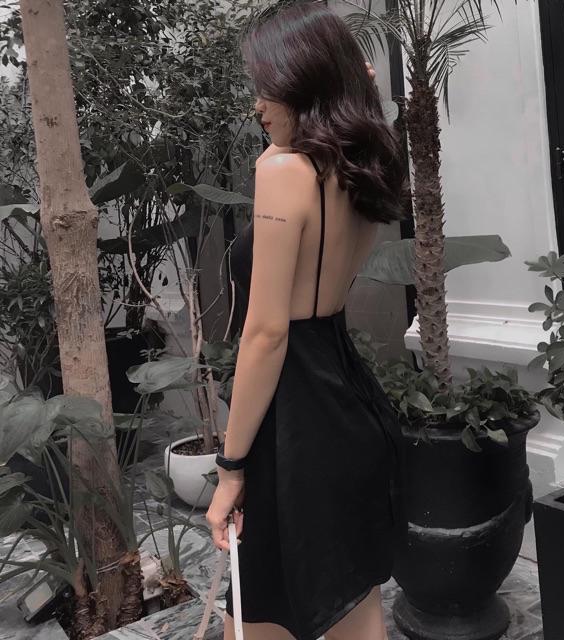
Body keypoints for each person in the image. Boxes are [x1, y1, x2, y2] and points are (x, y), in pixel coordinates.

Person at [206, 3, 410, 639]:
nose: (258, 106)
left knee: (261, 611)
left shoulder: (281, 171)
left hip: (294, 425)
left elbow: (267, 333)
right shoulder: (362, 166)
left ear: (302, 79)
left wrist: (230, 467)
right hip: (348, 405)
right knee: (354, 604)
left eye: (266, 87)